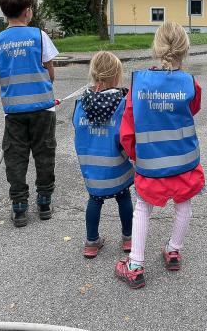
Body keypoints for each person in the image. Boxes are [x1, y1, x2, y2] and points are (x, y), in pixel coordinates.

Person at [115, 21, 205, 289]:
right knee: (184, 204)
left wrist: (134, 155)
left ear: (156, 47)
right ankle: (174, 250)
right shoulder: (190, 83)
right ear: (185, 49)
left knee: (143, 207)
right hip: (184, 161)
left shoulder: (139, 84)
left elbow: (127, 127)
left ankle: (135, 265)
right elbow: (193, 109)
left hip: (150, 162)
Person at [0, 0, 59, 227]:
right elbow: (50, 72)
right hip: (42, 109)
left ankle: (19, 207)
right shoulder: (39, 36)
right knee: (44, 154)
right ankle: (44, 202)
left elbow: (2, 73)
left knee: (16, 159)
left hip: (14, 112)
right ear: (28, 11)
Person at [73, 51, 134, 258]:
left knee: (94, 200)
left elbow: (77, 128)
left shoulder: (81, 104)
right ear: (116, 76)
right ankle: (128, 238)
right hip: (117, 164)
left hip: (92, 166)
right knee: (123, 196)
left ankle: (91, 242)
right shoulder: (121, 103)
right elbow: (126, 134)